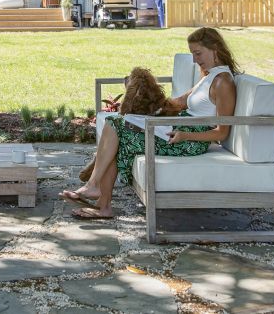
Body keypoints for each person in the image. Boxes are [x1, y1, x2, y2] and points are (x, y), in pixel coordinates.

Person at [60, 26, 239, 219]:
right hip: (175, 130)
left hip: (188, 141)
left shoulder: (223, 82)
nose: (195, 60)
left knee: (117, 128)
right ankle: (99, 197)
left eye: (198, 53)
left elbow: (222, 132)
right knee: (116, 123)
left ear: (215, 49)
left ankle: (99, 197)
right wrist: (146, 97)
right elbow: (180, 102)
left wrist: (185, 135)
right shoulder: (209, 75)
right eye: (192, 54)